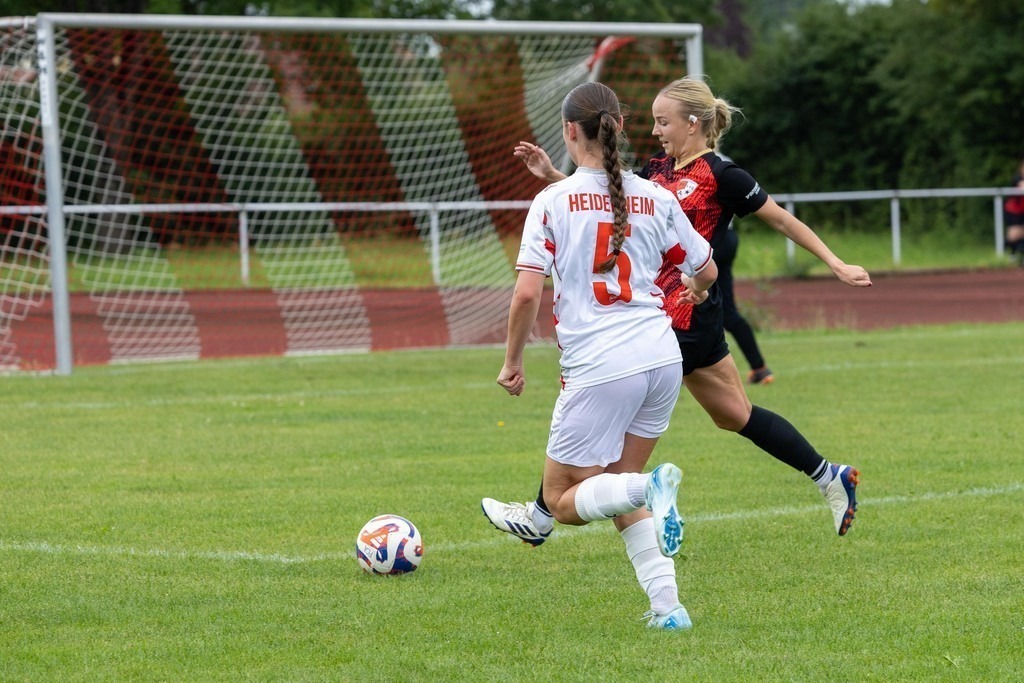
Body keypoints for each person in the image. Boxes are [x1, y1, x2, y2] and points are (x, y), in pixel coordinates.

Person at [483, 77, 872, 550]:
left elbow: (782, 220)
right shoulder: (657, 171)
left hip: (681, 315)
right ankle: (829, 475)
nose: (655, 131)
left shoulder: (724, 175)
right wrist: (553, 178)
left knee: (596, 406)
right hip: (658, 314)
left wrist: (835, 262)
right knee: (734, 414)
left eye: (663, 121)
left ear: (694, 123)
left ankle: (547, 513)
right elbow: (608, 208)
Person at [496, 81, 718, 630]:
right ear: (618, 128)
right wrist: (699, 290)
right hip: (662, 358)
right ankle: (669, 610)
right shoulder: (656, 195)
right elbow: (704, 268)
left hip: (601, 367)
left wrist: (512, 362)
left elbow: (526, 292)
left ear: (570, 132)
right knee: (613, 486)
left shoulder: (552, 201)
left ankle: (653, 487)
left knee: (561, 498)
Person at [1004, 159, 1024, 265]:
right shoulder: (1017, 179)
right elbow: (1020, 186)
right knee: (1014, 234)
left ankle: (1018, 255)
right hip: (1013, 211)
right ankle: (1007, 253)